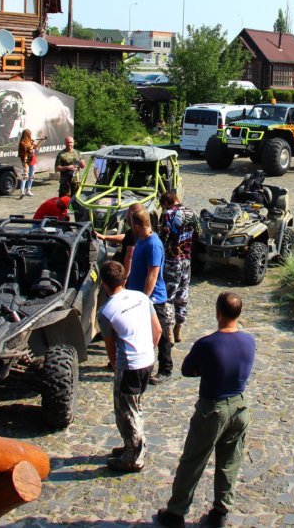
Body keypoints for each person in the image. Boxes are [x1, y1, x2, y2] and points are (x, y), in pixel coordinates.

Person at [154, 292, 256, 528]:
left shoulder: (207, 344)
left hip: (213, 408)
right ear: (239, 314)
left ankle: (176, 512)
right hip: (240, 406)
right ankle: (220, 512)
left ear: (217, 313)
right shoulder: (249, 341)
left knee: (193, 460)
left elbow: (187, 370)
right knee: (230, 461)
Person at [98, 260, 162, 473]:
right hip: (148, 360)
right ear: (124, 279)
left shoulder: (106, 312)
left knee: (126, 412)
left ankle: (134, 456)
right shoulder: (141, 297)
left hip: (129, 366)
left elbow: (111, 348)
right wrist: (148, 350)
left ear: (103, 284)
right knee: (135, 406)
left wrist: (116, 368)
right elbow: (158, 330)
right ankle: (131, 445)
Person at [126, 209, 170, 384]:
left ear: (137, 225)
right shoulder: (142, 240)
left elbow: (153, 274)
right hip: (140, 296)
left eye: (132, 224)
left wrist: (145, 298)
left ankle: (165, 369)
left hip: (153, 298)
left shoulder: (153, 244)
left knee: (161, 333)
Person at [158, 191, 199, 343]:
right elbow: (199, 233)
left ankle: (169, 330)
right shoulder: (192, 212)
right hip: (186, 259)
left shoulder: (168, 214)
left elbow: (164, 237)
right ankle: (179, 328)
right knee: (183, 294)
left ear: (166, 203)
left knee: (168, 296)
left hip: (172, 260)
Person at [17, 129, 40, 198]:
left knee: (32, 175)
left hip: (32, 160)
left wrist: (40, 141)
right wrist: (32, 144)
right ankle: (22, 191)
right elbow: (29, 150)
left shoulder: (30, 141)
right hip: (25, 161)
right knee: (25, 176)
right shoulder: (22, 143)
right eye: (29, 134)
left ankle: (28, 190)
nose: (31, 136)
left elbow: (36, 147)